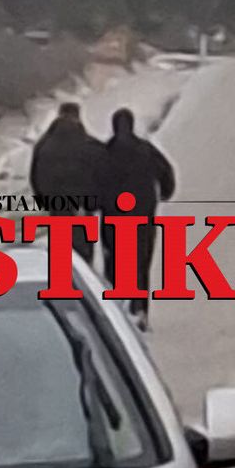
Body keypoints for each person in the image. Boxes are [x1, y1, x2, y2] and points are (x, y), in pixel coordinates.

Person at [100, 108, 175, 331]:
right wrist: (165, 193)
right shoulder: (146, 150)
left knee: (114, 263)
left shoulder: (105, 152)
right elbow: (167, 173)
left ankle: (117, 310)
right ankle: (139, 309)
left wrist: (95, 204)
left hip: (113, 218)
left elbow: (93, 180)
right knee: (140, 263)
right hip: (142, 217)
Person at [30, 102, 106, 263]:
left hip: (57, 205)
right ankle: (81, 273)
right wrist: (96, 202)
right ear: (78, 117)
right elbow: (101, 174)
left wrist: (45, 200)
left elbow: (36, 176)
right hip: (82, 205)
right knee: (82, 248)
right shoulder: (89, 144)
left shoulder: (44, 145)